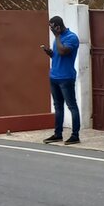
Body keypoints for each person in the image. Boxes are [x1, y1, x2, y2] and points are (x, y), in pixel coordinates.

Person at [42, 15, 80, 144]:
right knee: (58, 107)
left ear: (58, 27)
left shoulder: (72, 38)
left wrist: (57, 37)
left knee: (72, 106)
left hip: (66, 78)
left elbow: (64, 52)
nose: (51, 30)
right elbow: (58, 55)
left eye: (52, 28)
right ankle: (57, 134)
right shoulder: (57, 39)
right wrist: (50, 53)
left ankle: (75, 135)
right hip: (54, 77)